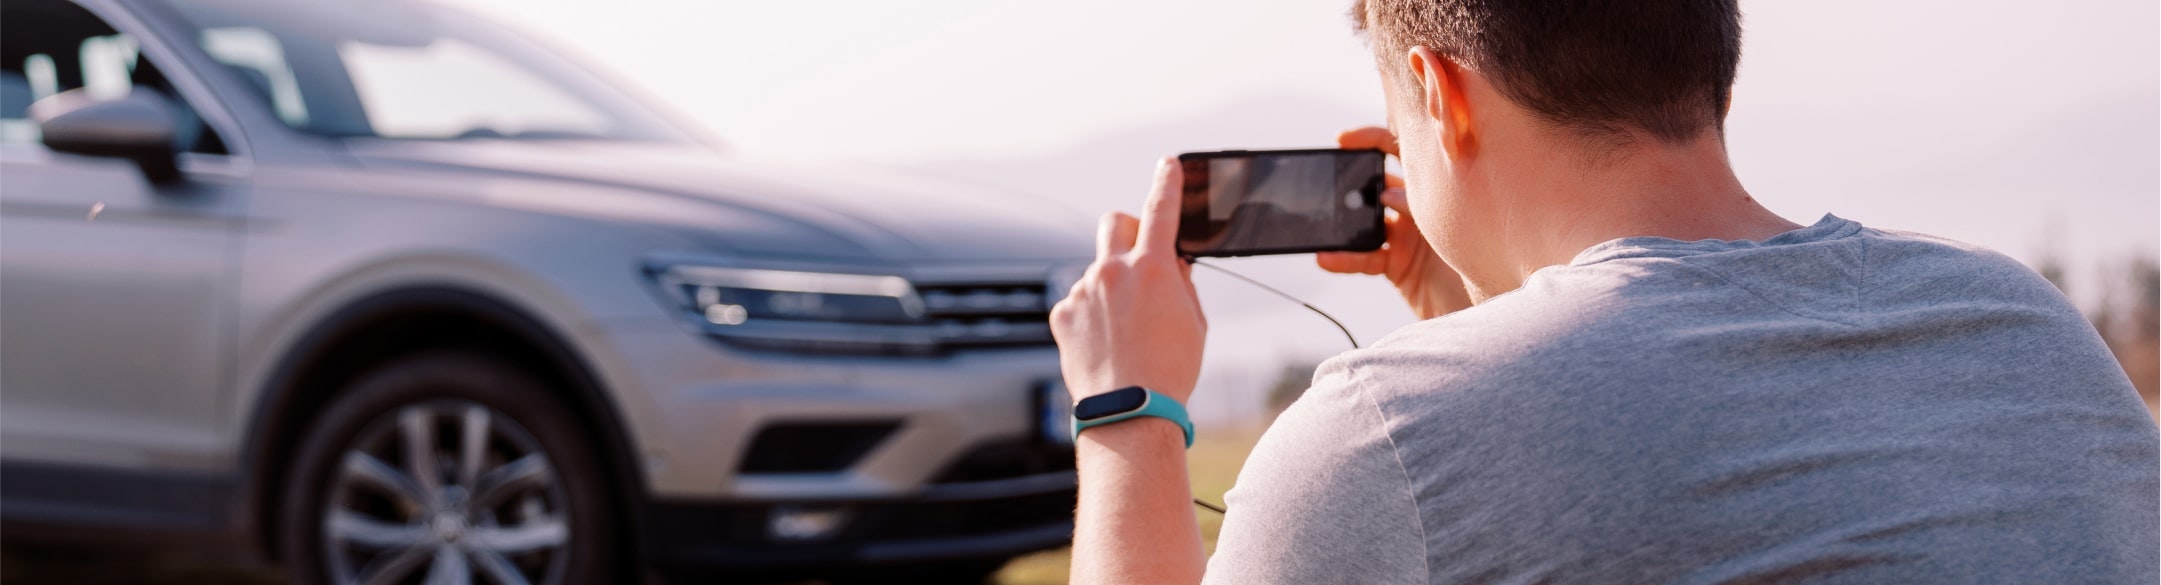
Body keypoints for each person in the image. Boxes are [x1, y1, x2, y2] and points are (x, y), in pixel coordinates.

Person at [1045, 0, 2161, 583]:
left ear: (1438, 95)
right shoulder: (2018, 325)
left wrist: (1124, 413)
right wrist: (1476, 320)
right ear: (1710, 66)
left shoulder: (1381, 432)